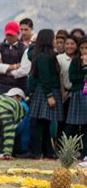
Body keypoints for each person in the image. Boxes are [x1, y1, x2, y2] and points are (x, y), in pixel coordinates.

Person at [28, 29, 64, 158]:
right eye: (53, 38)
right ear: (48, 40)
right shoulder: (43, 57)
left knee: (45, 123)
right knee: (40, 124)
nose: (55, 41)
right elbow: (44, 78)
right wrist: (49, 95)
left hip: (47, 90)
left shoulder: (48, 55)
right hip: (46, 91)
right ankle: (38, 152)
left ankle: (47, 151)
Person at [0, 21, 31, 94]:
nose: (9, 37)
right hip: (2, 86)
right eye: (8, 34)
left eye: (12, 35)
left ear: (18, 34)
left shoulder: (24, 49)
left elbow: (25, 69)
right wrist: (15, 66)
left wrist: (7, 71)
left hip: (19, 87)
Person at [66, 36, 87, 158]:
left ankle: (85, 153)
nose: (84, 50)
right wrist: (84, 67)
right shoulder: (75, 61)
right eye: (82, 48)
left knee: (86, 126)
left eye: (86, 48)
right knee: (73, 123)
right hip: (78, 94)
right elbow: (73, 78)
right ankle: (67, 151)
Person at [57, 36, 78, 136]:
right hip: (64, 94)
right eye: (67, 44)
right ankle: (62, 147)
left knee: (76, 123)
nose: (70, 46)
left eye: (72, 44)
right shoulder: (59, 58)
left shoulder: (81, 58)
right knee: (63, 122)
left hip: (78, 94)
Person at [5, 88, 31, 156]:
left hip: (22, 143)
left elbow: (19, 127)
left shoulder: (21, 107)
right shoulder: (20, 106)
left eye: (12, 97)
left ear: (19, 97)